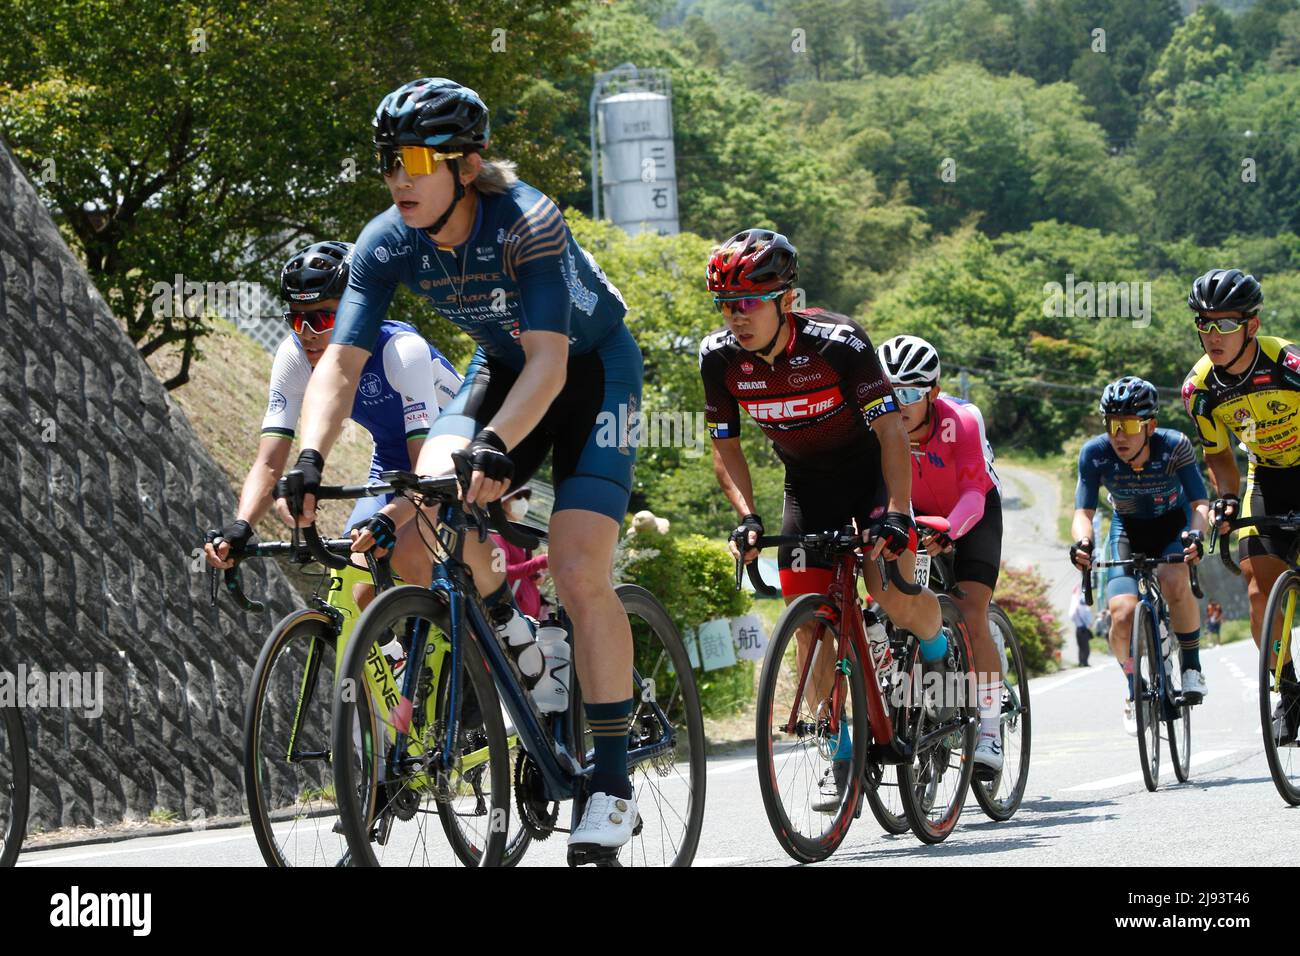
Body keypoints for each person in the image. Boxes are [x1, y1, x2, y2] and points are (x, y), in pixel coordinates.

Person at [272, 78, 644, 851]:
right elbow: (338, 364)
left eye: (413, 159)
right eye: (387, 162)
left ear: (465, 166)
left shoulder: (526, 222)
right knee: (416, 516)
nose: (398, 177)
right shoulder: (386, 239)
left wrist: (498, 447)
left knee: (579, 571)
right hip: (499, 368)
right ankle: (516, 637)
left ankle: (610, 780)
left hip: (591, 371)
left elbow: (551, 362)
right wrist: (308, 455)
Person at [699, 229, 952, 812]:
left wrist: (894, 512)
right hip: (807, 488)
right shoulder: (719, 359)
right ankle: (842, 745)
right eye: (726, 304)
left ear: (785, 299)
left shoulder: (838, 343)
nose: (737, 316)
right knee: (810, 626)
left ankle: (938, 660)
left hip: (871, 478)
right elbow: (725, 446)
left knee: (892, 597)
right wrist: (747, 517)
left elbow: (891, 432)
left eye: (749, 302)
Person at [203, 240, 461, 608]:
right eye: (295, 318)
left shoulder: (402, 351)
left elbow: (428, 470)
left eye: (322, 318)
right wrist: (242, 526)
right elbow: (269, 461)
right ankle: (398, 658)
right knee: (355, 583)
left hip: (451, 453)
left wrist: (391, 517)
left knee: (407, 554)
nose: (306, 331)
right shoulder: (294, 356)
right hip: (393, 458)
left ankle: (472, 639)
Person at [876, 334, 1007, 776]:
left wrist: (951, 529)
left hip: (970, 513)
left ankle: (989, 730)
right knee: (899, 608)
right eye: (890, 391)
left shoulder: (963, 419)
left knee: (972, 613)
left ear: (933, 392)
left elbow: (974, 489)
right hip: (912, 516)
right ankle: (923, 699)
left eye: (910, 393)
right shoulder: (875, 424)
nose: (899, 402)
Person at [1181, 268, 1300, 741]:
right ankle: (1289, 692)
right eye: (1204, 325)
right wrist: (1227, 500)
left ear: (1251, 325)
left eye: (1225, 324)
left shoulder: (1289, 364)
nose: (1214, 336)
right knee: (1258, 589)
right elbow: (1220, 456)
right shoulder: (1201, 390)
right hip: (1267, 474)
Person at [1069, 376, 1210, 736]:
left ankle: (1191, 666)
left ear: (1150, 426)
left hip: (1171, 527)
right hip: (1126, 530)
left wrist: (1196, 535)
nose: (1119, 435)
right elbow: (1083, 514)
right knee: (1121, 613)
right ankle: (1134, 685)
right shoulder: (1095, 453)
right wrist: (1083, 543)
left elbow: (1200, 503)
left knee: (1173, 578)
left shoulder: (1174, 446)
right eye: (1113, 424)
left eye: (1129, 425)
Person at [491, 487, 549, 620]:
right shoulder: (495, 534)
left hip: (524, 617)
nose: (523, 502)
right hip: (510, 619)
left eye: (524, 498)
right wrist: (539, 562)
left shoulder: (518, 534)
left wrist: (534, 575)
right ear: (503, 502)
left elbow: (522, 569)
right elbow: (502, 572)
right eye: (518, 497)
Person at [1069, 584, 1094, 667]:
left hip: (1078, 629)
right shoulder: (1086, 609)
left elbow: (1072, 618)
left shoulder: (1076, 608)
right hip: (1084, 630)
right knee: (1086, 648)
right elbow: (1090, 621)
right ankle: (1085, 662)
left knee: (1080, 647)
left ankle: (1081, 662)